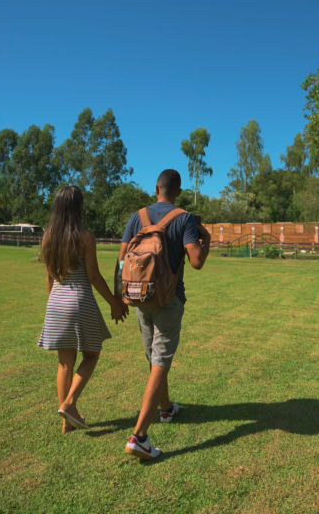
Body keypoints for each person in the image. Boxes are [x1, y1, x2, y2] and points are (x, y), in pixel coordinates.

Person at [119, 169, 210, 460]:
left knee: (154, 359)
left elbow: (122, 259)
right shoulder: (184, 218)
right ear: (178, 192)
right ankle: (140, 436)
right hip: (169, 299)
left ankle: (166, 409)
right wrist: (205, 238)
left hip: (139, 297)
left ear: (156, 188)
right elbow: (196, 262)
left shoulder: (139, 216)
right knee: (160, 361)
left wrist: (118, 297)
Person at [37, 186, 127, 433]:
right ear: (78, 208)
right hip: (79, 300)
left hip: (55, 301)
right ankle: (69, 404)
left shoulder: (47, 237)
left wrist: (53, 303)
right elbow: (94, 276)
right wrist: (114, 303)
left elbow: (49, 276)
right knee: (92, 354)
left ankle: (68, 422)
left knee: (64, 364)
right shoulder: (85, 237)